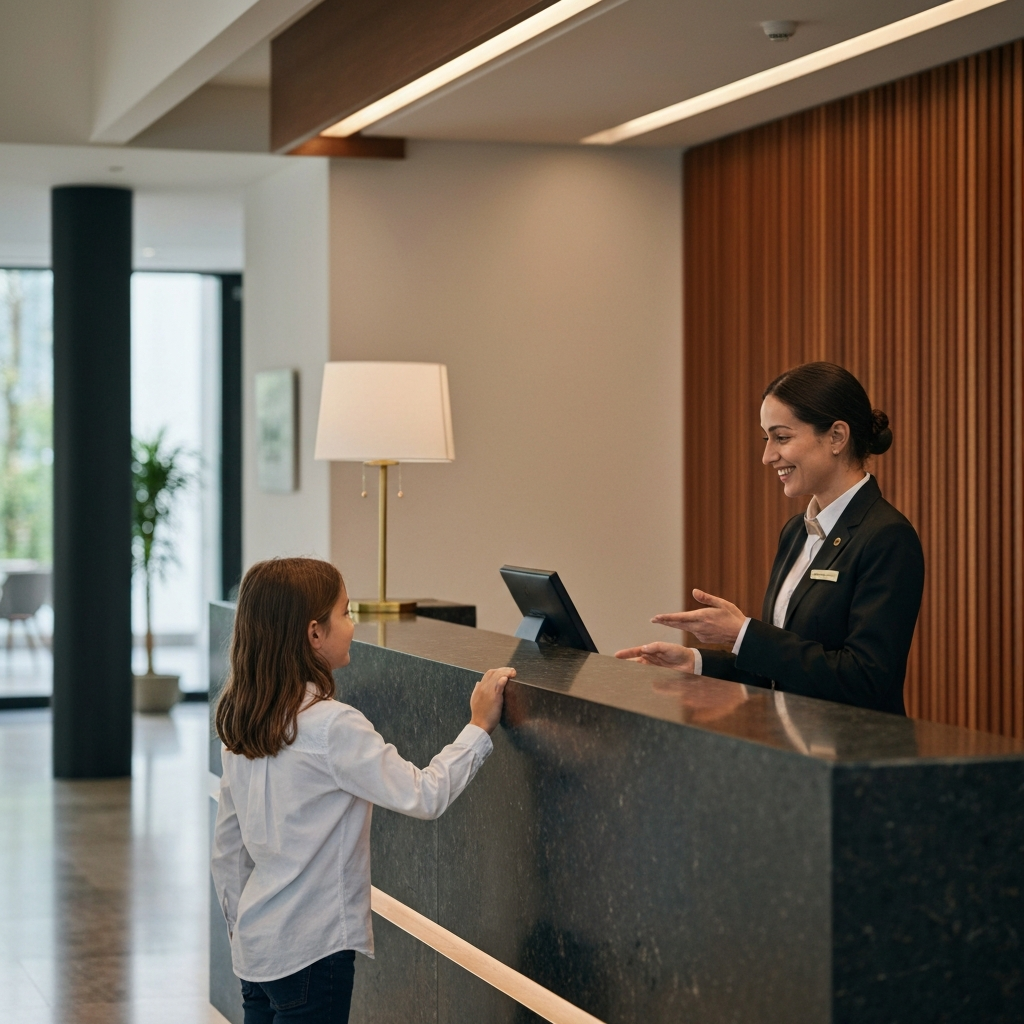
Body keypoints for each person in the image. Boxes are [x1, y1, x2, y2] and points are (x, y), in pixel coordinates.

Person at [211, 557, 515, 1023]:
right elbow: (424, 794)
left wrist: (241, 934)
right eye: (347, 612)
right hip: (313, 953)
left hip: (256, 951)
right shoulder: (333, 726)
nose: (353, 626)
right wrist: (478, 726)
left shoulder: (242, 722)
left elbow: (228, 851)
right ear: (314, 633)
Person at [616, 362, 924, 715]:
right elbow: (779, 672)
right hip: (789, 755)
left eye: (782, 437)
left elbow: (865, 680)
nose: (767, 456)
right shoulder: (795, 532)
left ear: (837, 437)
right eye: (767, 439)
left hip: (853, 762)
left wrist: (743, 634)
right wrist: (696, 663)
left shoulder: (887, 536)